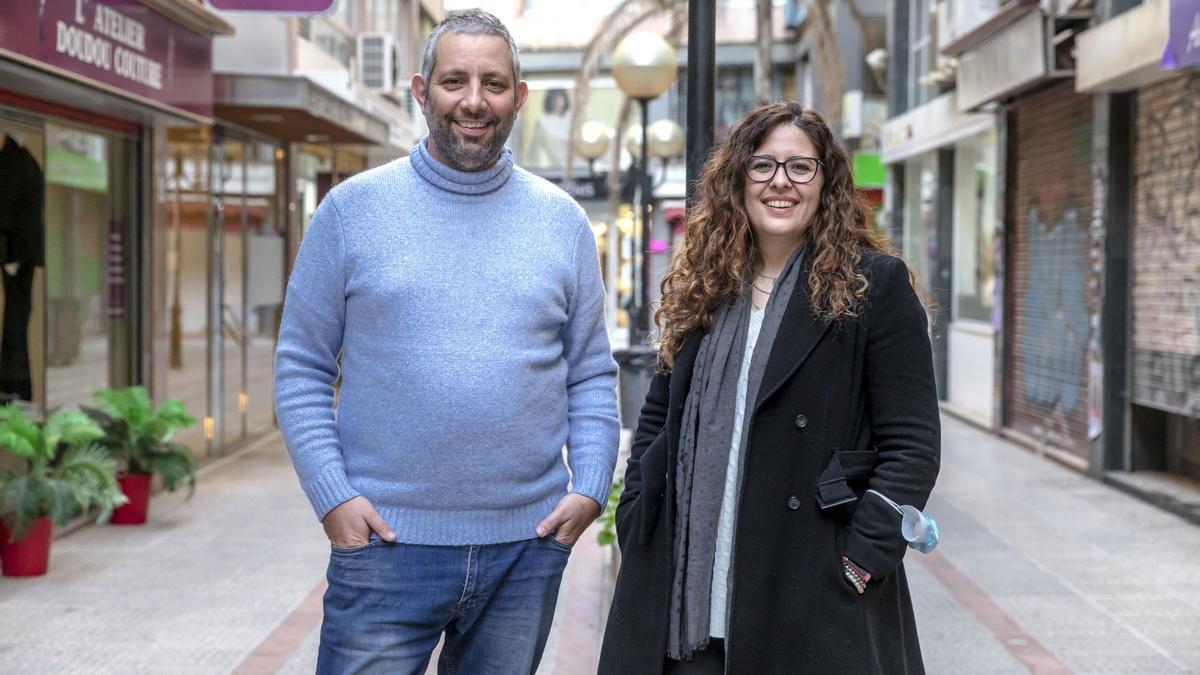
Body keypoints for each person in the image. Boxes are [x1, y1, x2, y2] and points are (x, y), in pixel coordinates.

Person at [273, 9, 619, 674]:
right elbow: (301, 364)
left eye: (493, 83)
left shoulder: (563, 222)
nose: (473, 101)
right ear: (420, 89)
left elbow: (589, 372)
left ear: (518, 96)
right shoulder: (351, 212)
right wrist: (333, 495)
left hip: (526, 547)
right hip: (383, 545)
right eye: (454, 81)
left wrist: (593, 484)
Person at [599, 102, 940, 673]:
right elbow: (658, 419)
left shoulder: (873, 287)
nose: (780, 182)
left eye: (800, 167)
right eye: (762, 166)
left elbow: (913, 445)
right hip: (687, 587)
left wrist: (862, 557)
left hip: (814, 586)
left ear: (825, 183)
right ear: (737, 180)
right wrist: (638, 511)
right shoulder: (703, 286)